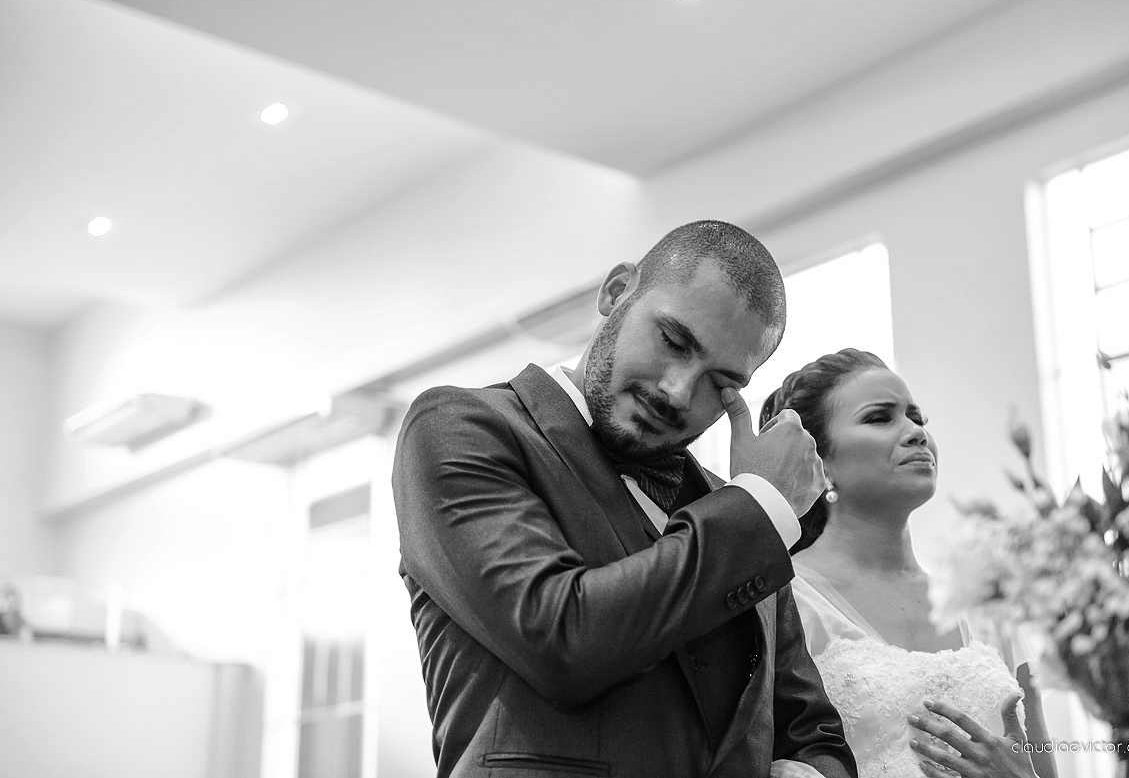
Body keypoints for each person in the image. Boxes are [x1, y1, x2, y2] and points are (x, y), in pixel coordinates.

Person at [393, 221, 857, 778]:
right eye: (674, 341)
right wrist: (757, 505)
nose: (677, 391)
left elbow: (815, 733)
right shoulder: (459, 426)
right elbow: (561, 639)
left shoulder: (733, 508)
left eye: (722, 382)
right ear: (616, 293)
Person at [759, 349, 1058, 778]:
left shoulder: (987, 609)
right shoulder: (784, 602)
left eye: (918, 418)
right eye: (881, 418)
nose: (916, 433)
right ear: (819, 460)